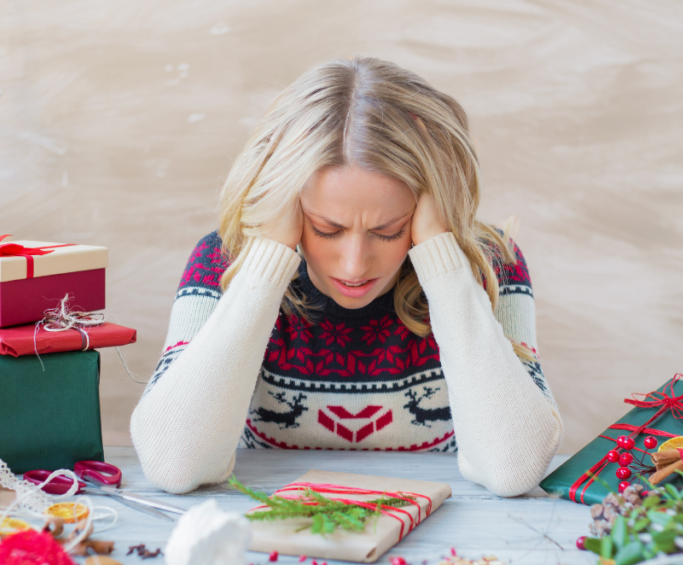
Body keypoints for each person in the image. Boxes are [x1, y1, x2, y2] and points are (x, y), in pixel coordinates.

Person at [131, 57, 562, 496]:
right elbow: (174, 462)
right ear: (290, 204)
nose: (355, 265)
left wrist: (441, 256)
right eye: (327, 229)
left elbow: (514, 467)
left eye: (388, 231)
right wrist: (267, 260)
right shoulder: (223, 261)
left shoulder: (491, 264)